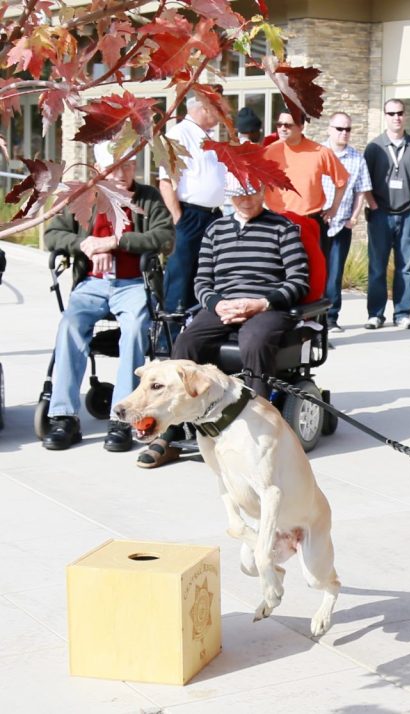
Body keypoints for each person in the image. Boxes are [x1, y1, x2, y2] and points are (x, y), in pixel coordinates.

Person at [136, 175, 309, 469]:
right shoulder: (215, 230)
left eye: (252, 192)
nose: (246, 200)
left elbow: (298, 281)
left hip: (266, 305)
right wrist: (217, 304)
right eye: (239, 194)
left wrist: (261, 303)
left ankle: (256, 426)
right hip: (223, 306)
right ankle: (171, 429)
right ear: (229, 196)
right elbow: (202, 281)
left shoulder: (283, 228)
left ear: (263, 190)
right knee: (186, 343)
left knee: (254, 341)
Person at [42, 140, 175, 452]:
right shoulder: (83, 196)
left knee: (135, 329)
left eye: (128, 166)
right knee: (70, 326)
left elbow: (165, 237)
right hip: (92, 283)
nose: (122, 173)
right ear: (99, 169)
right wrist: (86, 245)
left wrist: (116, 242)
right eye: (115, 168)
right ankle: (63, 415)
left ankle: (123, 417)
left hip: (133, 283)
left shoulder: (147, 197)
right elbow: (52, 234)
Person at [158, 88, 228, 320]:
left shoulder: (206, 136)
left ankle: (198, 326)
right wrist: (178, 218)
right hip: (190, 215)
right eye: (218, 108)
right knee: (180, 277)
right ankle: (170, 333)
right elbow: (166, 181)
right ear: (204, 108)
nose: (221, 113)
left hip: (212, 216)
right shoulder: (179, 134)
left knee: (207, 275)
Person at [364, 99, 410, 330]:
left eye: (400, 113)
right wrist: (372, 205)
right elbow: (364, 180)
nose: (396, 117)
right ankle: (375, 314)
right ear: (385, 116)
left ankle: (402, 314)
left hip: (407, 215)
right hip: (380, 215)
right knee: (377, 267)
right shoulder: (374, 147)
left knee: (405, 268)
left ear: (405, 115)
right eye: (391, 113)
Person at [262, 111, 348, 262]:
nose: (282, 128)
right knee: (276, 270)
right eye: (279, 124)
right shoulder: (269, 152)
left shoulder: (320, 152)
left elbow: (342, 180)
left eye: (288, 125)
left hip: (310, 222)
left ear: (301, 126)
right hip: (276, 222)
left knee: (314, 271)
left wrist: (334, 209)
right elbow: (258, 184)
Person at [321, 111, 375, 332]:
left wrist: (354, 217)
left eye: (348, 129)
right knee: (316, 272)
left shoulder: (356, 159)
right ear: (329, 129)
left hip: (342, 224)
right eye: (339, 129)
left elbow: (361, 191)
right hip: (318, 223)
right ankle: (314, 317)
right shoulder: (319, 153)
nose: (344, 133)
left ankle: (331, 318)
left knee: (335, 274)